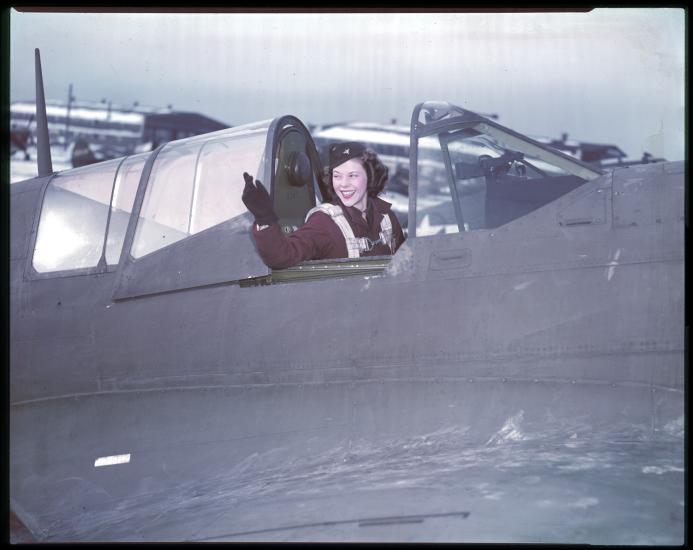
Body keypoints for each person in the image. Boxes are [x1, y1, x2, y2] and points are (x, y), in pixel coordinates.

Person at [241, 141, 405, 269]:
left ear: (370, 176)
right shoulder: (325, 222)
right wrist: (265, 218)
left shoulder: (386, 217)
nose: (343, 184)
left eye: (353, 175)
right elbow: (283, 256)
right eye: (337, 176)